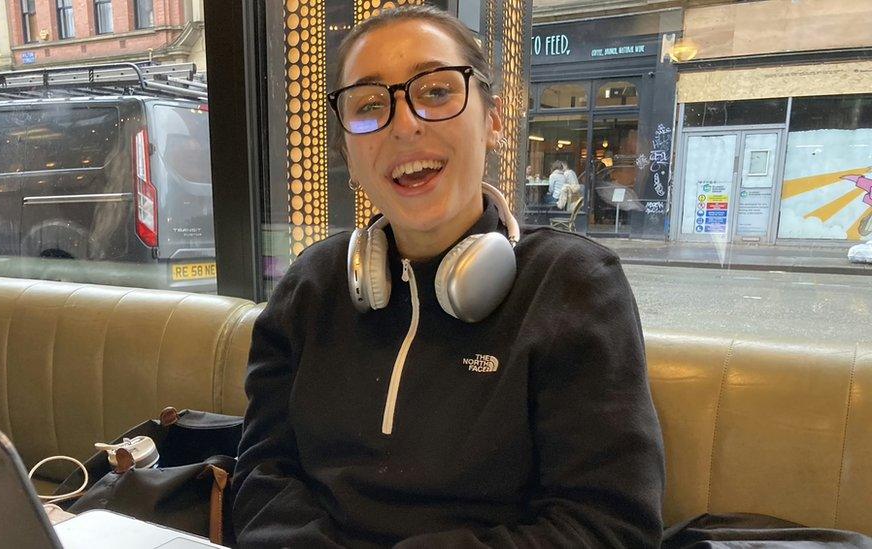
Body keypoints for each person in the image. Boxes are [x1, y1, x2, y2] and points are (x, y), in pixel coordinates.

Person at [231, 5, 665, 547]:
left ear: (495, 120)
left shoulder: (572, 284)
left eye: (436, 91)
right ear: (346, 147)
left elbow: (609, 527)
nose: (405, 124)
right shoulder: (310, 287)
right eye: (369, 105)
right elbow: (261, 478)